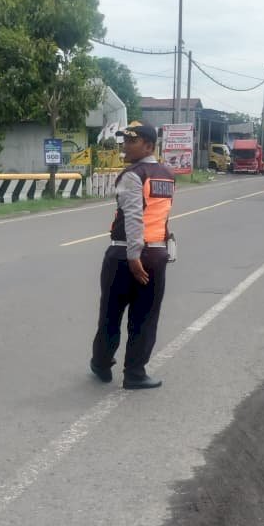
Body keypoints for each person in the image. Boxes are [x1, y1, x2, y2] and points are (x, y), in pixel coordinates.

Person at [90, 121, 175, 390]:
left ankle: (102, 364)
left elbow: (134, 216)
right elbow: (160, 216)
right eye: (124, 141)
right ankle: (135, 373)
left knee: (111, 314)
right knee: (145, 317)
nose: (125, 146)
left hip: (125, 254)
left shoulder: (133, 174)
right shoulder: (166, 174)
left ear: (148, 146)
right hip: (155, 255)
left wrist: (133, 254)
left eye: (131, 141)